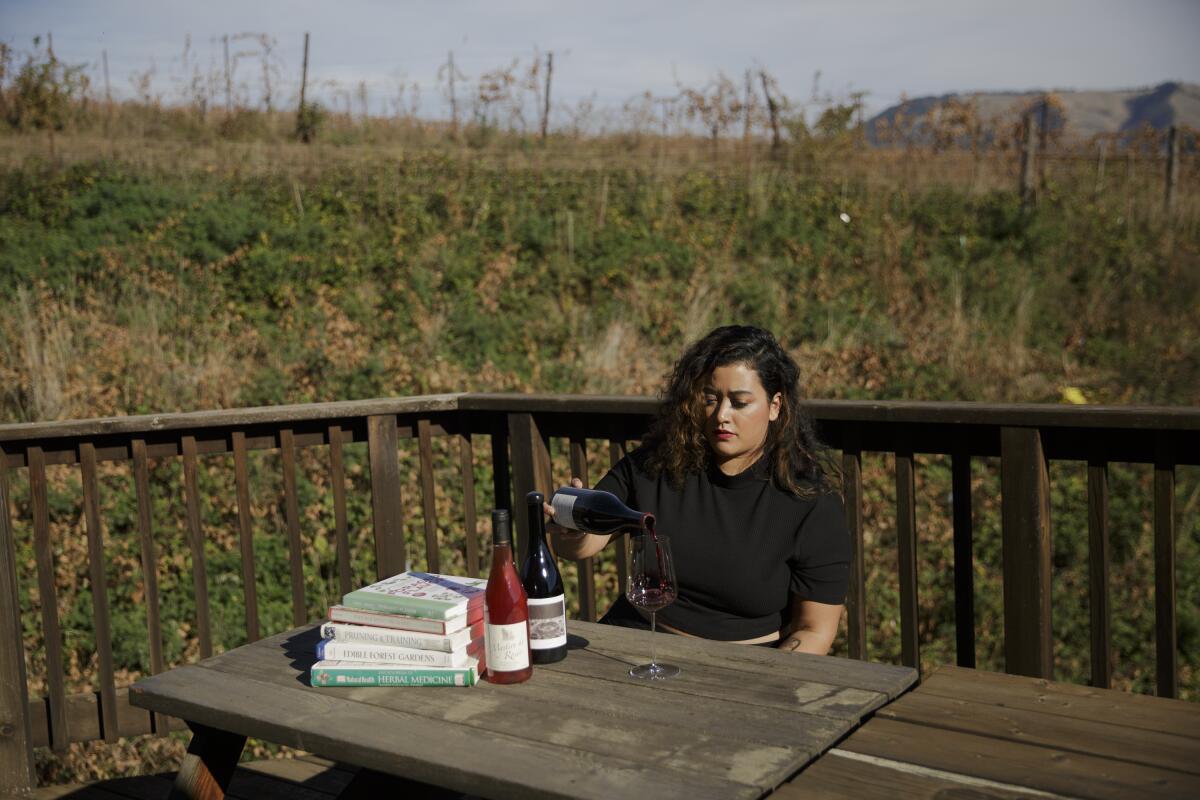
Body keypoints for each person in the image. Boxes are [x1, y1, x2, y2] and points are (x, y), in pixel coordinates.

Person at [548, 325, 849, 654]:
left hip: (742, 664)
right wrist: (572, 527)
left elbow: (814, 630)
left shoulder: (808, 501)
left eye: (739, 402)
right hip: (635, 639)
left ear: (775, 406)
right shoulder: (658, 464)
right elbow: (580, 547)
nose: (721, 415)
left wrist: (770, 684)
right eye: (710, 399)